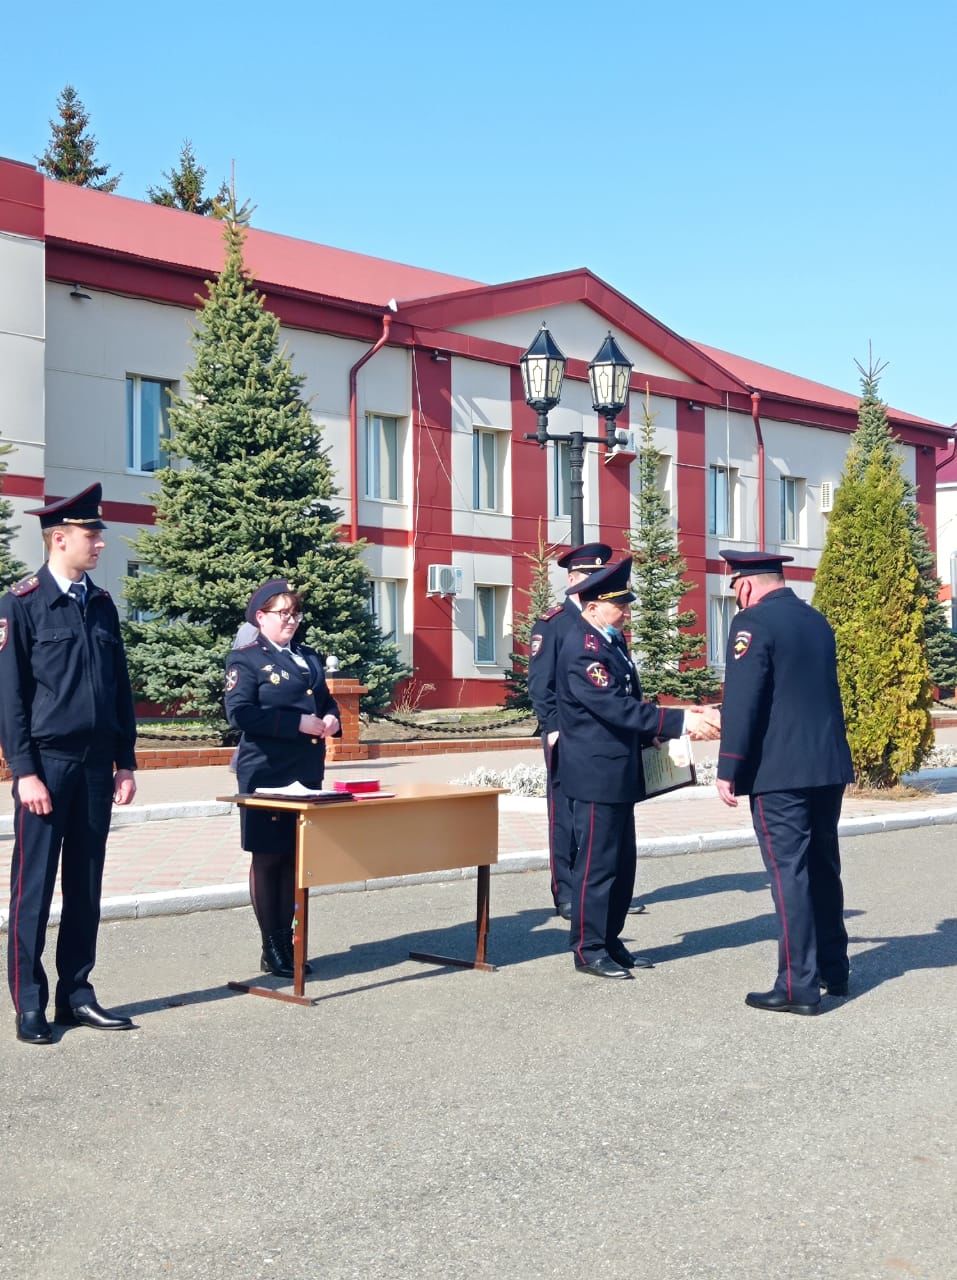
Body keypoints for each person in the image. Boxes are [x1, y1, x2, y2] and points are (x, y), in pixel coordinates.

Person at [0, 483, 138, 1045]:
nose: (100, 543)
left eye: (98, 534)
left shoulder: (100, 604)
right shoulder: (22, 602)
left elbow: (119, 689)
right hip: (47, 766)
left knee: (85, 884)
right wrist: (24, 771)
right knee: (33, 888)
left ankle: (76, 993)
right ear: (60, 539)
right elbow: (10, 698)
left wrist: (125, 761)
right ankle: (28, 1003)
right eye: (91, 534)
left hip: (95, 767)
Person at [556, 557, 721, 978]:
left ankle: (611, 940)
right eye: (618, 605)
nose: (626, 612)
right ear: (592, 607)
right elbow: (614, 707)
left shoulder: (611, 642)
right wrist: (681, 720)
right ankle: (588, 948)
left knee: (622, 863)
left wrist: (656, 733)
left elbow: (631, 700)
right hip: (595, 775)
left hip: (618, 771)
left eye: (626, 604)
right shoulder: (581, 647)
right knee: (597, 865)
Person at [715, 550, 855, 1016]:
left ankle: (798, 985)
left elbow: (744, 700)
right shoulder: (816, 621)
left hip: (779, 773)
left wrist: (728, 767)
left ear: (747, 586)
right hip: (826, 766)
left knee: (788, 875)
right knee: (822, 867)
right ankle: (834, 970)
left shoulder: (752, 624)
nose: (736, 598)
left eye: (735, 589)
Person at [224, 579, 341, 979]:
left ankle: (291, 942)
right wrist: (297, 724)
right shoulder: (247, 660)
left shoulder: (307, 657)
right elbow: (239, 714)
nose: (291, 620)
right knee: (268, 856)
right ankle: (271, 945)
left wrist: (331, 719)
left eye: (295, 613)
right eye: (282, 613)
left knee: (295, 859)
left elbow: (324, 701)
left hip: (304, 773)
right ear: (261, 617)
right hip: (265, 771)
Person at [527, 542, 613, 920]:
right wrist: (552, 728)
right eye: (589, 577)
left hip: (601, 737)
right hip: (565, 733)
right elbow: (540, 683)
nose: (596, 583)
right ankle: (566, 890)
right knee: (564, 812)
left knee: (598, 815)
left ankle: (594, 889)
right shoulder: (555, 622)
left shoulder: (607, 619)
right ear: (572, 579)